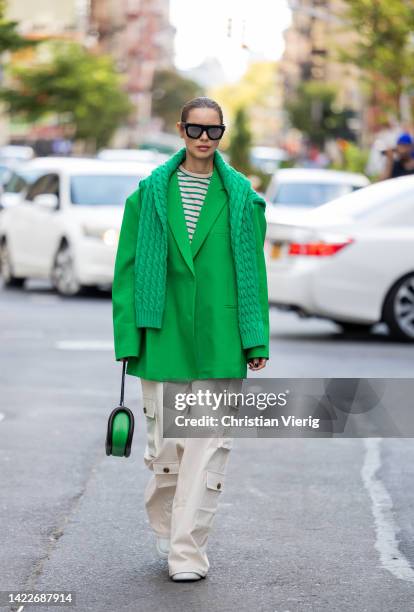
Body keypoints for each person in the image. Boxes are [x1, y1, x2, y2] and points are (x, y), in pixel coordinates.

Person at [111, 96, 269, 582]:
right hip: (163, 336)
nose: (204, 139)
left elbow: (254, 273)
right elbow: (128, 269)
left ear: (222, 134)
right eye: (196, 130)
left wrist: (255, 338)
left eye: (213, 131)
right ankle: (170, 525)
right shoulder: (148, 195)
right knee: (166, 453)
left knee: (206, 448)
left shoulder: (243, 198)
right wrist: (127, 339)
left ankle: (187, 551)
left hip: (221, 339)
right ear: (181, 131)